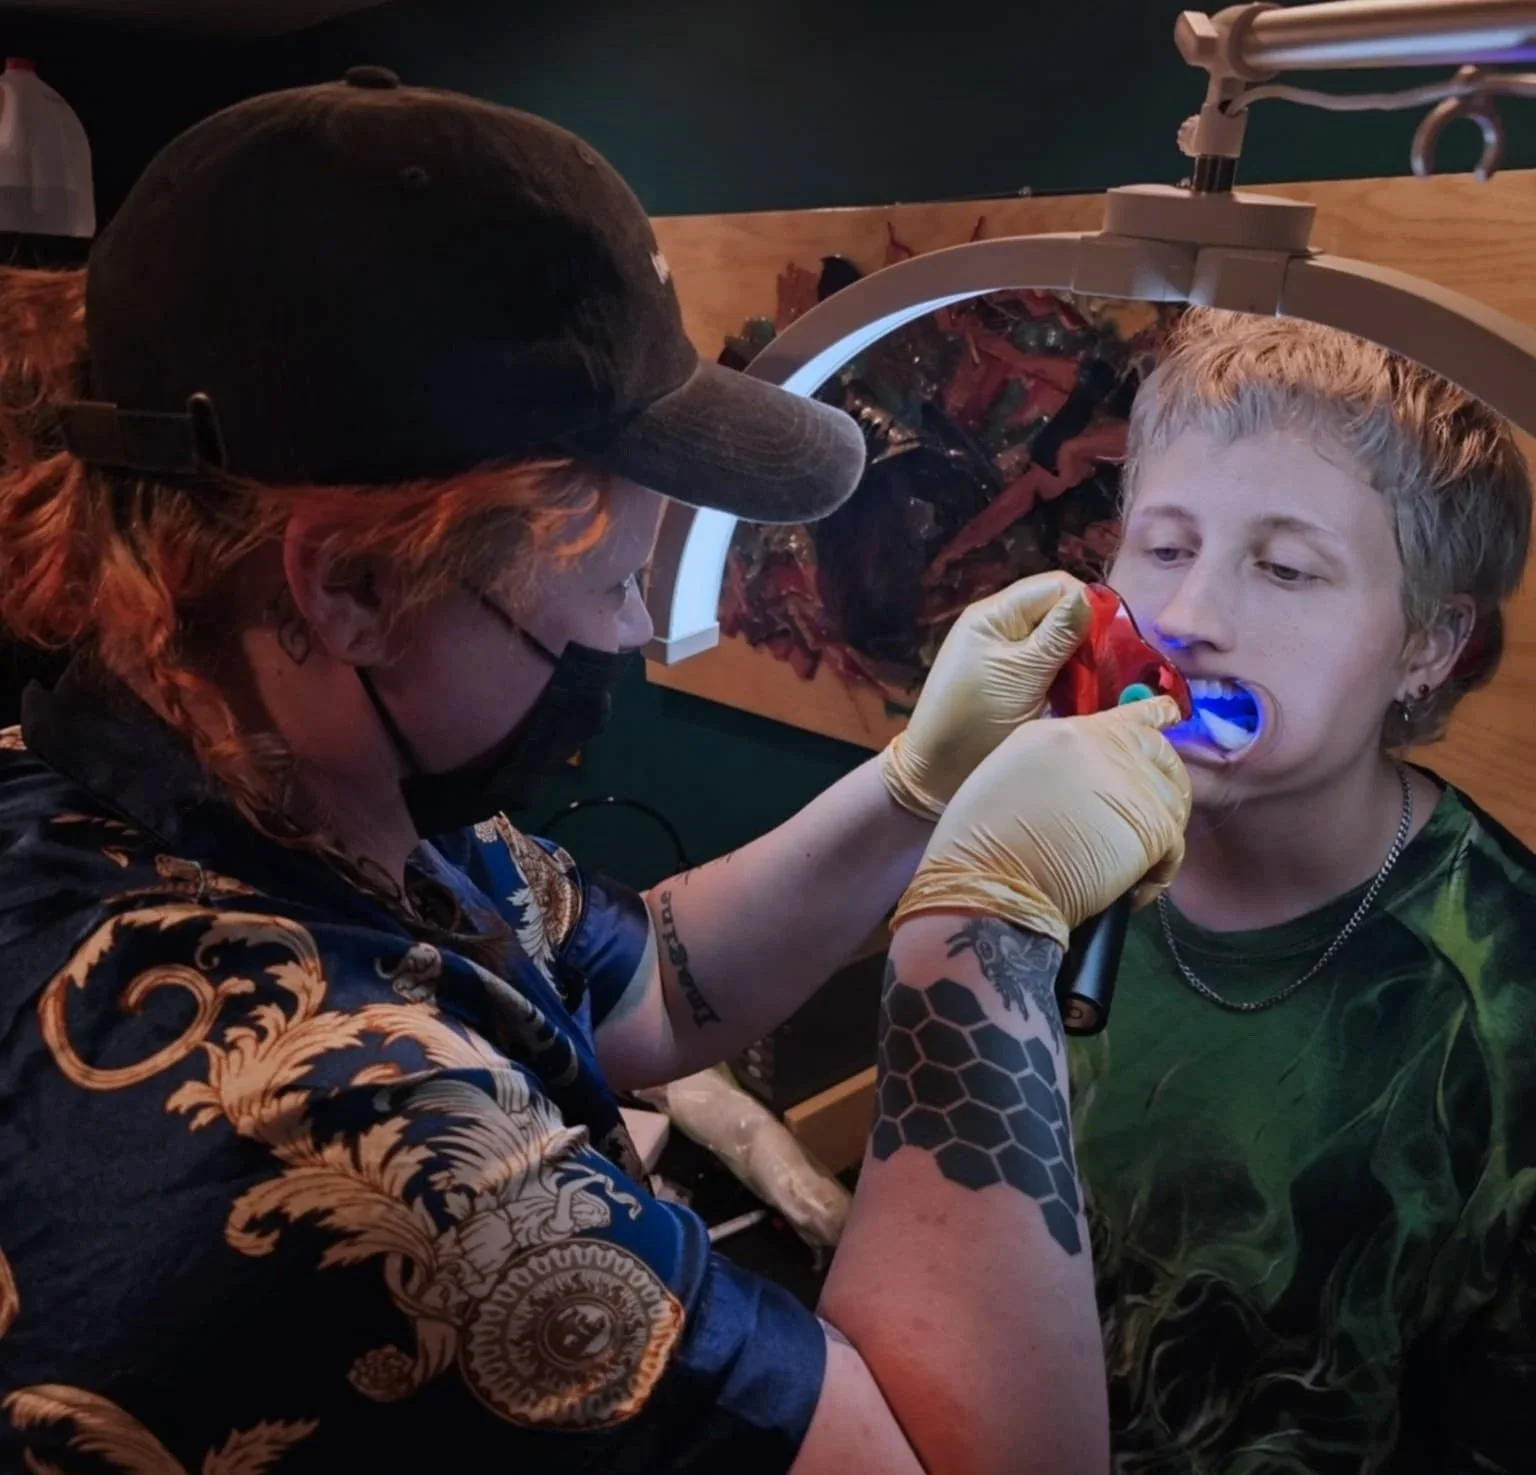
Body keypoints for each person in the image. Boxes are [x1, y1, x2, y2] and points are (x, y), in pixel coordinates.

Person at [0, 70, 1193, 1474]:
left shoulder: (263, 783)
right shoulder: (348, 1125)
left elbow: (651, 985)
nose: (631, 628)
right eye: (611, 581)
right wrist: (981, 930)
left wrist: (915, 789)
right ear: (351, 587)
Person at [1074, 307, 1536, 1473]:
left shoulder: (1502, 999)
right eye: (1163, 547)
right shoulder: (1049, 848)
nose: (1187, 620)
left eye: (1285, 567)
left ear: (1428, 643)